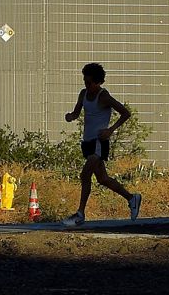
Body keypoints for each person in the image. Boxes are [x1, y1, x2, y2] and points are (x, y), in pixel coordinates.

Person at [61, 62, 142, 226]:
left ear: (98, 82)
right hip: (87, 142)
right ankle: (132, 198)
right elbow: (77, 113)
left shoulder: (103, 96)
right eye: (85, 81)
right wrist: (70, 116)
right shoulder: (83, 94)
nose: (87, 85)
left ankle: (80, 214)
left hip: (100, 142)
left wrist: (111, 130)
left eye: (89, 82)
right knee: (103, 179)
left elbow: (126, 113)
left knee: (84, 175)